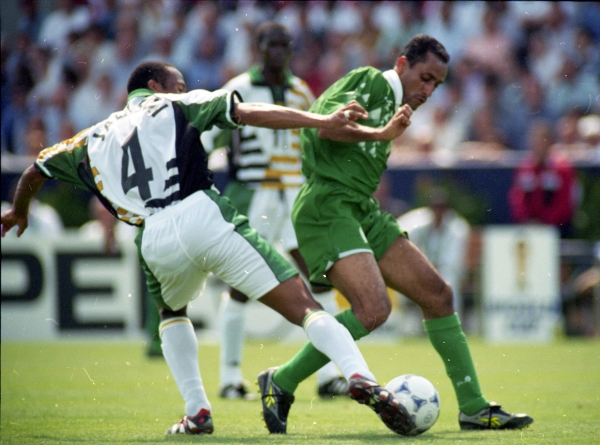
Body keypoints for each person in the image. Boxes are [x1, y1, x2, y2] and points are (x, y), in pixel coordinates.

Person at [1, 60, 415, 436]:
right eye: (177, 83)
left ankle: (197, 411)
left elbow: (36, 168)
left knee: (171, 312)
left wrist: (19, 212)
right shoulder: (176, 104)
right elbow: (249, 112)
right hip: (200, 211)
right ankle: (358, 374)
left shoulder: (92, 137)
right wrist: (323, 117)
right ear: (155, 84)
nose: (183, 89)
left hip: (153, 235)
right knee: (305, 307)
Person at [257, 34, 534, 433]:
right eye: (424, 78)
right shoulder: (373, 81)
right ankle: (281, 381)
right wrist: (380, 134)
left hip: (361, 208)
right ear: (402, 65)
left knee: (438, 295)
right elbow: (326, 129)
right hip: (327, 206)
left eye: (437, 84)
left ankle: (473, 407)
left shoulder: (397, 105)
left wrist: (383, 134)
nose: (428, 90)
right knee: (374, 309)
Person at [201, 21, 346, 401]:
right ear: (258, 47)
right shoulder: (238, 88)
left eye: (284, 44)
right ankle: (230, 377)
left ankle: (329, 376)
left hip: (296, 195)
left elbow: (314, 140)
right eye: (271, 44)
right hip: (257, 193)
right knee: (241, 285)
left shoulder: (300, 90)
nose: (278, 50)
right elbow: (209, 135)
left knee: (322, 278)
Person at [396, 188, 471, 321]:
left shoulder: (457, 228)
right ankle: (405, 324)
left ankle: (452, 321)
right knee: (402, 278)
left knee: (449, 282)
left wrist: (428, 267)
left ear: (447, 209)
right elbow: (400, 229)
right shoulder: (423, 223)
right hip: (426, 269)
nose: (438, 211)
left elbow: (453, 261)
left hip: (448, 271)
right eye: (435, 208)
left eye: (441, 207)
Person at [508, 118, 578, 239]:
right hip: (529, 227)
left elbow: (565, 202)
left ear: (550, 143)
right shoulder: (525, 168)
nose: (538, 146)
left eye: (542, 141)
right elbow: (517, 197)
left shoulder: (562, 168)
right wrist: (526, 219)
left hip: (556, 229)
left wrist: (546, 222)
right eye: (535, 141)